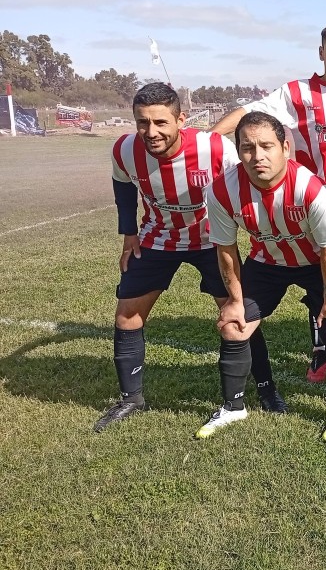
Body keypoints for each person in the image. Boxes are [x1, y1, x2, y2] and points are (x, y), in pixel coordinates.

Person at [210, 23, 326, 385]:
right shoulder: (296, 93)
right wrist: (207, 139)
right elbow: (248, 113)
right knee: (318, 280)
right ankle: (322, 348)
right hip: (308, 207)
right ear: (321, 53)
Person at [94, 83, 245, 432]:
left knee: (236, 313)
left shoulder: (213, 147)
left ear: (181, 119)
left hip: (211, 239)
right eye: (143, 122)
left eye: (160, 122)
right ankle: (131, 399)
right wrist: (128, 233)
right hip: (157, 238)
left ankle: (252, 394)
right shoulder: (125, 149)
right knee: (127, 314)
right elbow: (123, 186)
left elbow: (244, 184)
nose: (151, 132)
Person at [201, 112, 326, 440]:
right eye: (247, 147)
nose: (257, 156)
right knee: (234, 324)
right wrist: (235, 300)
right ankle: (239, 403)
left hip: (316, 263)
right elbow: (226, 249)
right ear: (238, 151)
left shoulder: (309, 188)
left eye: (266, 146)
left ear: (285, 148)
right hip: (267, 262)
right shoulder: (222, 190)